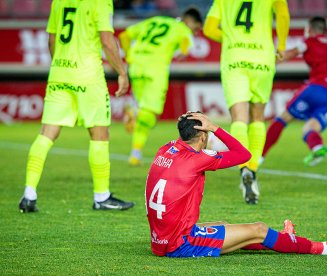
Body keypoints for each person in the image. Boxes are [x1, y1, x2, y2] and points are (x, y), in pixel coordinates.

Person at [145, 111, 327, 258]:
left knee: (223, 225)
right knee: (259, 229)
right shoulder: (198, 159)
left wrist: (190, 125)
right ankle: (323, 248)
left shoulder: (166, 149)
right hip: (181, 243)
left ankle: (283, 239)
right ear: (202, 135)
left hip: (161, 239)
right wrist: (215, 127)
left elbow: (185, 140)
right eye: (206, 133)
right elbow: (243, 154)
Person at [19, 0, 135, 212]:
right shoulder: (101, 2)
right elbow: (107, 42)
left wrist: (61, 68)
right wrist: (122, 72)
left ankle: (29, 193)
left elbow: (51, 41)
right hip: (88, 76)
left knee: (47, 134)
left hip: (59, 74)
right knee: (99, 134)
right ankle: (102, 197)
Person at [203, 0, 290, 204]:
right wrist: (282, 46)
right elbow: (283, 15)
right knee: (258, 117)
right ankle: (252, 170)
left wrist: (230, 36)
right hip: (262, 58)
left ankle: (243, 168)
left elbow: (208, 29)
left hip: (235, 58)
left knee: (239, 118)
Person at [261, 16, 327, 167]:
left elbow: (289, 54)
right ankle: (317, 147)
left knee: (283, 118)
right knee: (310, 128)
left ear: (309, 29)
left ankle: (259, 156)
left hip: (318, 88)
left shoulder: (309, 42)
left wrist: (266, 60)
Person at [118, 7, 203, 166]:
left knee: (146, 110)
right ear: (190, 22)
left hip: (136, 67)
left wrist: (129, 56)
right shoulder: (182, 29)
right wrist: (182, 51)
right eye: (196, 28)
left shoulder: (154, 20)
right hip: (155, 69)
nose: (195, 32)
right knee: (150, 114)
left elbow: (124, 35)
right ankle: (135, 121)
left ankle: (136, 152)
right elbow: (185, 47)